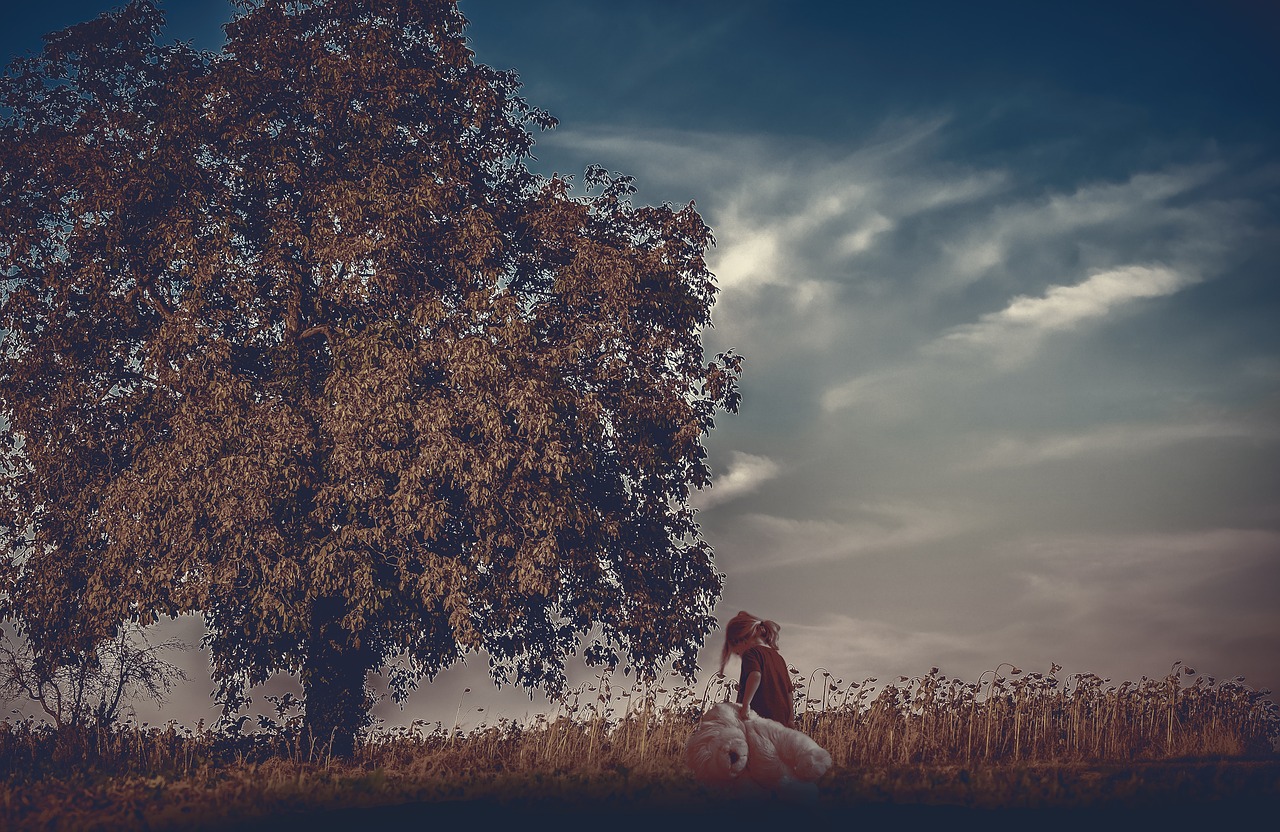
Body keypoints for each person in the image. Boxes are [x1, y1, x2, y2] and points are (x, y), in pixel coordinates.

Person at [718, 610, 795, 728]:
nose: (740, 656)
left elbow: (755, 676)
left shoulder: (751, 653)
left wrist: (746, 705)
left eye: (738, 653)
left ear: (741, 639)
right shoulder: (778, 657)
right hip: (781, 720)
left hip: (760, 716)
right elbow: (789, 691)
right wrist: (791, 718)